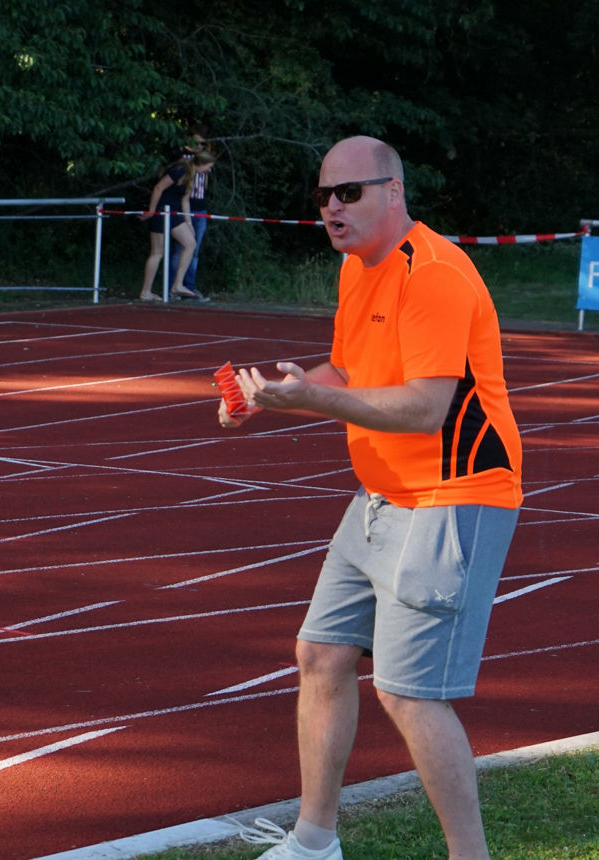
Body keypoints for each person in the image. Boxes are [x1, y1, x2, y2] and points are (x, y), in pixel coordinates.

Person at [219, 136, 522, 860]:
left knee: (410, 692)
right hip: (384, 493)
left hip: (453, 495)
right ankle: (314, 842)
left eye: (348, 193)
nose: (331, 207)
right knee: (320, 654)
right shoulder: (358, 269)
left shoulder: (436, 274)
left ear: (394, 192)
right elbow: (350, 368)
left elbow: (425, 408)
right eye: (323, 195)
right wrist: (270, 397)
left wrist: (314, 401)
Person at [137, 150, 216, 302]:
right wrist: (152, 211)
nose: (209, 170)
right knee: (157, 252)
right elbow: (159, 188)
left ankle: (177, 285)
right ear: (201, 164)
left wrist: (189, 223)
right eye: (209, 166)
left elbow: (185, 201)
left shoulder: (193, 175)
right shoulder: (180, 170)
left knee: (190, 243)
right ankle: (145, 292)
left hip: (174, 213)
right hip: (162, 212)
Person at [168, 127, 213, 298]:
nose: (199, 146)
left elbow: (205, 181)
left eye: (202, 143)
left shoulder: (206, 158)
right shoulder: (183, 158)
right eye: (196, 142)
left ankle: (189, 287)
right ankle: (173, 287)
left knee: (194, 250)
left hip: (200, 207)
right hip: (183, 206)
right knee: (180, 249)